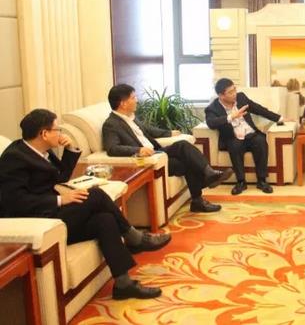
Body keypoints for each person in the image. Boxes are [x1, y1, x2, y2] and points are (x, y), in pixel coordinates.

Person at [0, 109, 171, 300]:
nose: (61, 133)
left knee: (104, 220)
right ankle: (135, 237)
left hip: (52, 213)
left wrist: (69, 150)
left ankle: (123, 284)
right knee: (96, 195)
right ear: (44, 133)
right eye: (57, 129)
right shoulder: (13, 158)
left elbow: (60, 178)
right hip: (39, 221)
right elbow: (15, 201)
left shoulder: (42, 151)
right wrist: (60, 199)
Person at [102, 84, 232, 213]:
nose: (136, 100)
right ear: (123, 103)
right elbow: (112, 148)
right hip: (149, 159)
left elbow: (149, 130)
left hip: (157, 153)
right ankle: (207, 179)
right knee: (184, 151)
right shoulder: (111, 124)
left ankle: (202, 192)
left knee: (186, 153)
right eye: (133, 97)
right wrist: (138, 150)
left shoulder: (131, 117)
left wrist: (169, 133)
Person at [205, 78, 286, 195]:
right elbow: (211, 123)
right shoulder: (213, 108)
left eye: (234, 89)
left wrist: (279, 118)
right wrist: (231, 117)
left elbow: (258, 109)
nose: (234, 93)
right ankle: (241, 182)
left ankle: (262, 180)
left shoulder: (241, 98)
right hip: (233, 137)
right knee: (234, 146)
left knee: (261, 141)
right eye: (230, 92)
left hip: (251, 134)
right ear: (221, 96)